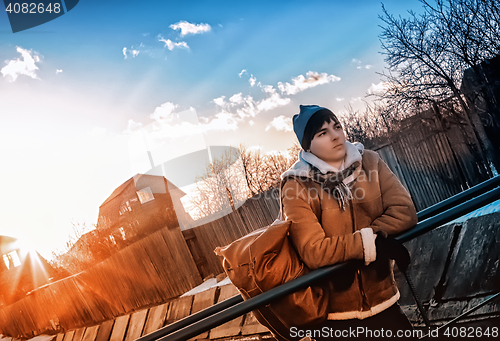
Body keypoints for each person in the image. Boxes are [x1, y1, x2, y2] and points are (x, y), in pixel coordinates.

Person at [280, 105, 418, 340]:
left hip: (384, 302)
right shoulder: (297, 186)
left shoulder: (370, 162)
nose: (335, 136)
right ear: (307, 145)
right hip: (335, 319)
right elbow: (314, 251)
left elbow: (404, 211)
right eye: (322, 133)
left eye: (337, 126)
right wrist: (368, 244)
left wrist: (373, 237)